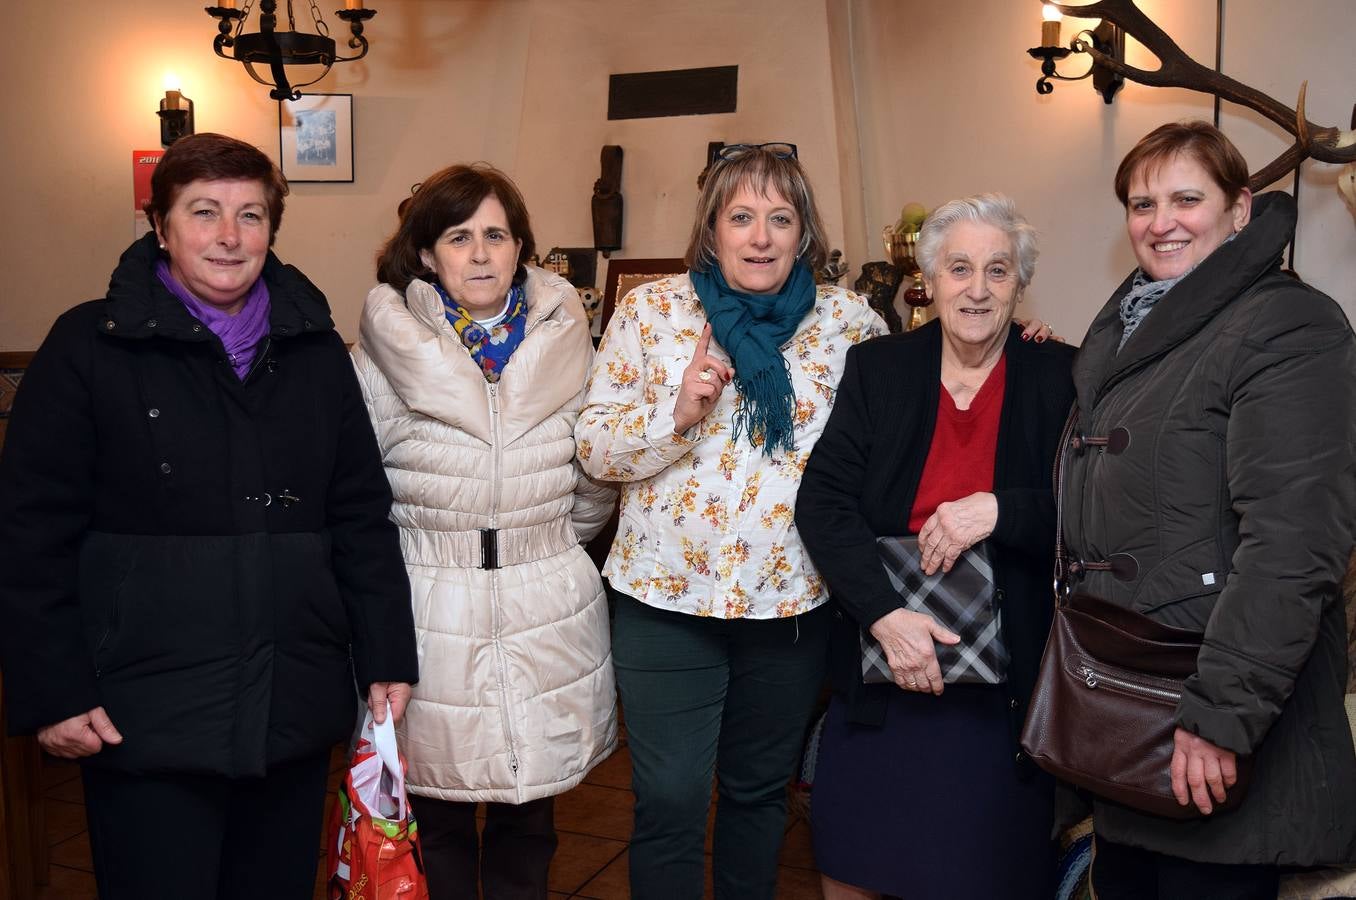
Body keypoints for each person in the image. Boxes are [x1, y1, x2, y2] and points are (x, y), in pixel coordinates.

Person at [577, 143, 1051, 898]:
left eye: (780, 218)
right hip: (663, 600)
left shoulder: (849, 323)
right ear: (713, 229)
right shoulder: (653, 311)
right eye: (741, 218)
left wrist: (1024, 342)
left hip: (792, 606)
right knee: (667, 799)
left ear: (804, 234)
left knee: (759, 794)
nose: (760, 236)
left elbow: (932, 375)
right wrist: (678, 414)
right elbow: (595, 448)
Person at [0, 133, 418, 899]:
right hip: (140, 719)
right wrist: (53, 690)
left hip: (290, 709)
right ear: (160, 227)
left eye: (250, 215)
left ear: (271, 230)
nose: (229, 236)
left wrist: (387, 652)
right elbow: (28, 536)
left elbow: (360, 514)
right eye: (204, 212)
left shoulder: (316, 352)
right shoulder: (89, 346)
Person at [1060, 121, 1356, 898]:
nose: (1161, 222)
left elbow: (1295, 545)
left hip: (1217, 729)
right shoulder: (1132, 332)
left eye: (1187, 198)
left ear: (1240, 209)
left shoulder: (1289, 325)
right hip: (1132, 720)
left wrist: (1220, 717)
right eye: (1142, 202)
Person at [795, 194, 1076, 899]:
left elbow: (1092, 514)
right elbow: (822, 504)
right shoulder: (878, 368)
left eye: (998, 271)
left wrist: (999, 510)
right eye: (959, 269)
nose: (977, 289)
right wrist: (886, 618)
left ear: (1019, 283)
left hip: (1002, 690)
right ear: (930, 281)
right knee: (852, 862)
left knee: (983, 873)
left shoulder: (1061, 376)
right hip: (883, 667)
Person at [352, 163, 618, 899]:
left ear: (521, 248)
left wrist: (544, 548)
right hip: (429, 612)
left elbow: (592, 483)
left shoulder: (572, 345)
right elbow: (355, 496)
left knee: (528, 826)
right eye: (457, 236)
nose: (478, 254)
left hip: (546, 608)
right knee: (434, 824)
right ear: (426, 254)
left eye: (495, 235)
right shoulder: (380, 356)